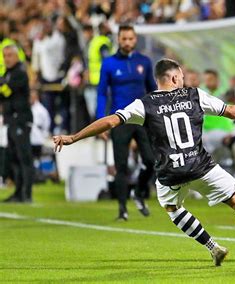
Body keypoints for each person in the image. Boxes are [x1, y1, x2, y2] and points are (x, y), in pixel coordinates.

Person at [53, 58, 235, 267]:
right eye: (182, 77)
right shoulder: (195, 95)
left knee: (173, 208)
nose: (183, 81)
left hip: (169, 172)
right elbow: (232, 111)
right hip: (199, 165)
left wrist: (74, 137)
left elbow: (111, 121)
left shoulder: (144, 103)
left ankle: (213, 248)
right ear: (174, 77)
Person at [96, 25, 157, 221]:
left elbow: (153, 91)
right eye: (124, 39)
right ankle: (122, 210)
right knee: (121, 166)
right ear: (118, 40)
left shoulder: (145, 62)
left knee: (150, 161)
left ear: (135, 39)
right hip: (120, 119)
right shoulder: (109, 63)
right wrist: (101, 120)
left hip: (142, 119)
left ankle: (138, 192)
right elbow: (101, 93)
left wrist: (157, 116)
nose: (128, 42)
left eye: (131, 39)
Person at [0, 45, 33, 202]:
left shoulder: (20, 72)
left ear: (17, 56)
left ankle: (27, 194)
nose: (7, 59)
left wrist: (2, 87)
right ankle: (18, 193)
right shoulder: (8, 73)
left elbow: (7, 91)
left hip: (21, 120)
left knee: (24, 157)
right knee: (14, 158)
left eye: (10, 55)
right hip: (11, 120)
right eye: (4, 56)